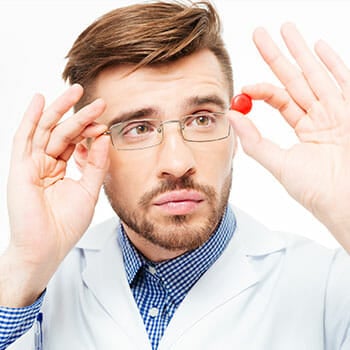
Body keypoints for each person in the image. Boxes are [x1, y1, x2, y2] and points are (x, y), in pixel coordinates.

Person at [0, 0, 349, 349]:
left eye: (202, 119)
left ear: (234, 134)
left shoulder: (327, 286)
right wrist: (24, 268)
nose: (178, 163)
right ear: (86, 152)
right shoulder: (32, 292)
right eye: (138, 128)